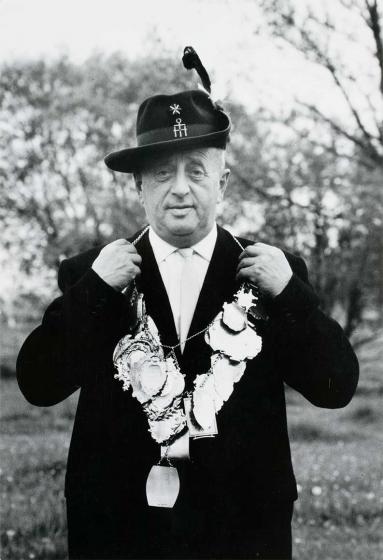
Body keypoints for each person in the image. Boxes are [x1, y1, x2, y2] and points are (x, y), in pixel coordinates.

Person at [16, 48, 359, 560]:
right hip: (118, 527)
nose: (180, 189)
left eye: (196, 171)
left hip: (242, 531)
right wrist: (93, 293)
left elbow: (336, 387)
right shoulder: (94, 273)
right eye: (161, 174)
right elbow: (37, 384)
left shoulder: (272, 273)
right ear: (138, 187)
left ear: (220, 183)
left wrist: (293, 297)